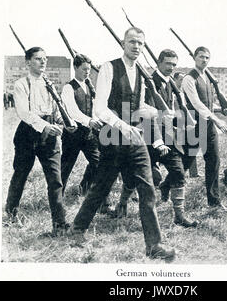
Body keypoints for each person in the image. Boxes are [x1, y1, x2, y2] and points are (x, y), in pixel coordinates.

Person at [68, 27, 176, 260]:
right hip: (113, 138)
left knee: (147, 189)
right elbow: (100, 109)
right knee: (102, 186)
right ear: (122, 43)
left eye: (140, 43)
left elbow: (136, 107)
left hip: (135, 140)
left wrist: (158, 113)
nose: (136, 46)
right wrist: (125, 127)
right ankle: (77, 230)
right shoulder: (109, 68)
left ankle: (154, 246)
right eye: (132, 42)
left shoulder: (141, 72)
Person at [113, 49, 198, 228]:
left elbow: (168, 112)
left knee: (178, 172)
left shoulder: (170, 84)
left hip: (167, 139)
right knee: (132, 176)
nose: (171, 67)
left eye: (174, 64)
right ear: (158, 62)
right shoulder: (148, 83)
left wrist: (182, 122)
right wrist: (158, 142)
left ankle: (179, 216)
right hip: (148, 138)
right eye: (168, 63)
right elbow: (148, 114)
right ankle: (122, 204)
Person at [5, 47, 75, 235]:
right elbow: (23, 112)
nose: (42, 62)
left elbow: (56, 110)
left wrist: (64, 123)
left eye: (44, 59)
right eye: (37, 59)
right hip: (28, 134)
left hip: (49, 134)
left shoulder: (49, 84)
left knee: (55, 179)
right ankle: (10, 215)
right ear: (28, 62)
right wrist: (44, 125)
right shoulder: (21, 84)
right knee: (20, 175)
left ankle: (59, 224)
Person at [180, 46, 227, 210]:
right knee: (185, 162)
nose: (204, 60)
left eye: (207, 57)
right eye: (201, 57)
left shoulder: (207, 77)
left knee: (214, 161)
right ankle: (167, 186)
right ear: (194, 58)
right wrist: (217, 119)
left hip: (208, 126)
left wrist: (220, 109)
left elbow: (208, 102)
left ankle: (214, 202)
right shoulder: (189, 78)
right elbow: (196, 103)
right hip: (195, 126)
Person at [60, 54, 103, 197]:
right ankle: (57, 197)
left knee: (98, 163)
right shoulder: (68, 87)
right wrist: (90, 121)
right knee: (66, 167)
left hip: (88, 134)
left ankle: (84, 188)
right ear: (75, 68)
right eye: (84, 69)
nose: (87, 72)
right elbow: (72, 111)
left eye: (89, 70)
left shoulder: (89, 86)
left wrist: (95, 119)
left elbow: (93, 108)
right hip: (73, 134)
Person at [174, 71, 199, 178]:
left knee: (191, 147)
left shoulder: (184, 92)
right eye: (180, 79)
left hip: (185, 122)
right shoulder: (173, 92)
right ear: (174, 80)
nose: (183, 81)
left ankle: (193, 173)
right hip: (176, 122)